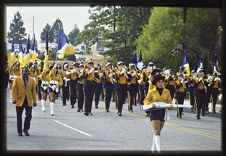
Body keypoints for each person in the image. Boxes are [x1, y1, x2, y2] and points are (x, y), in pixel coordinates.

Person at [143, 74, 173, 152]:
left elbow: (169, 103)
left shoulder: (167, 91)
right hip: (154, 112)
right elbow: (146, 100)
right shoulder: (151, 91)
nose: (161, 83)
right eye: (159, 82)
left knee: (158, 131)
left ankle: (153, 147)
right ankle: (159, 150)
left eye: (162, 82)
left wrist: (170, 106)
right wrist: (150, 104)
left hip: (162, 112)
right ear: (155, 83)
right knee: (157, 131)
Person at [12, 66, 37, 136]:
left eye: (27, 71)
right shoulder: (17, 79)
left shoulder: (32, 80)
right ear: (22, 72)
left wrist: (35, 101)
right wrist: (14, 99)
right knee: (19, 116)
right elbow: (14, 89)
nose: (26, 73)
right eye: (25, 71)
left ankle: (26, 129)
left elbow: (34, 91)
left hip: (28, 100)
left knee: (29, 115)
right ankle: (19, 131)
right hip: (19, 100)